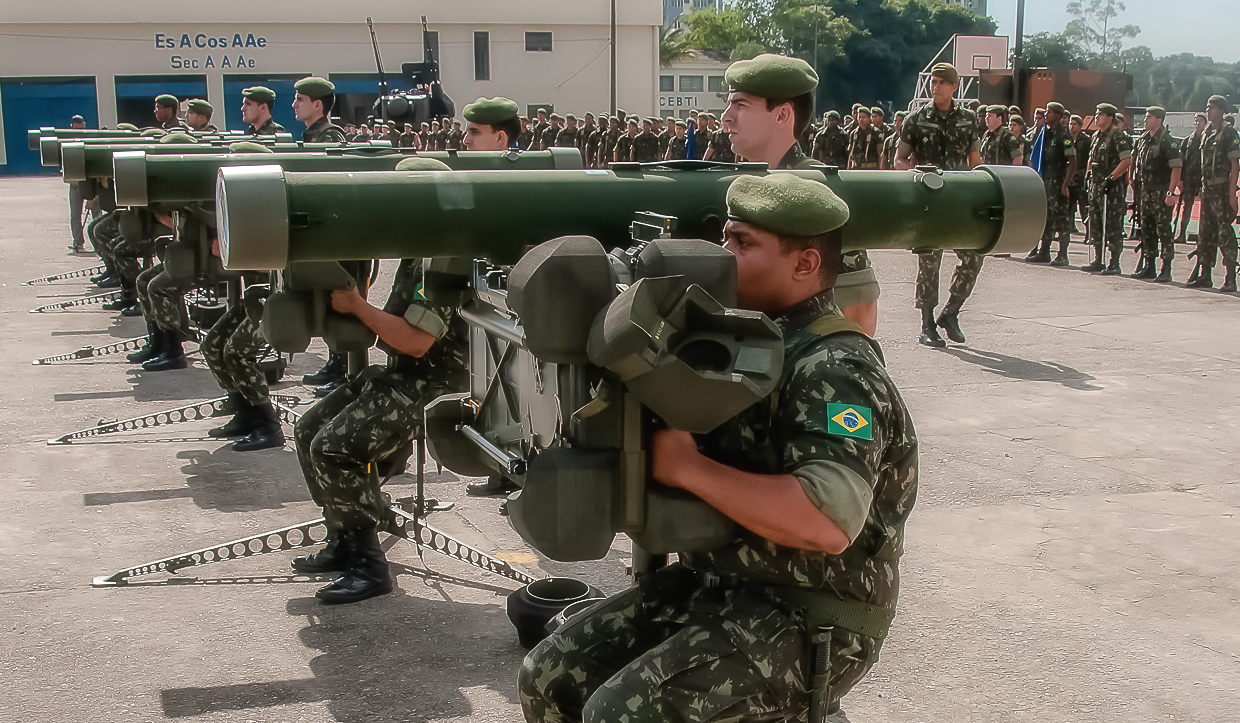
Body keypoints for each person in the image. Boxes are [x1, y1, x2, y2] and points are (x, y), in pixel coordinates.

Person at [519, 171, 918, 723]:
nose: (723, 256)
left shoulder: (835, 367)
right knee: (550, 676)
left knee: (623, 712)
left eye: (744, 244)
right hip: (719, 587)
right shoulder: (739, 334)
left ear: (804, 264)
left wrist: (687, 469)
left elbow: (824, 520)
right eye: (725, 238)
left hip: (811, 614)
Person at [289, 155, 468, 604]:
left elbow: (416, 341)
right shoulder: (417, 250)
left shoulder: (442, 257)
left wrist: (356, 307)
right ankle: (343, 537)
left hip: (436, 386)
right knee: (309, 428)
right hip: (404, 376)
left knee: (334, 447)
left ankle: (368, 565)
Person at [720, 54, 880, 337]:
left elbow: (859, 307)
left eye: (740, 105)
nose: (726, 117)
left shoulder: (815, 189)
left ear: (781, 115)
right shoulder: (747, 185)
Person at [895, 62, 982, 347]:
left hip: (959, 198)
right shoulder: (916, 119)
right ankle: (927, 325)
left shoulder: (969, 119)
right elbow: (900, 158)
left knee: (973, 255)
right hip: (928, 199)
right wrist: (913, 181)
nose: (937, 87)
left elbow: (975, 160)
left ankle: (951, 311)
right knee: (929, 262)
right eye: (934, 82)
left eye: (943, 82)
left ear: (955, 86)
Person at [1190, 95, 1240, 291]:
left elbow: (1235, 164)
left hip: (1221, 188)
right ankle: (1205, 275)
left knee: (1224, 233)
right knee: (1205, 233)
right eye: (1208, 107)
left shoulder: (1229, 133)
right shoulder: (1206, 133)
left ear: (1221, 110)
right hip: (1208, 189)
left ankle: (1230, 278)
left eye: (1212, 108)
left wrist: (1231, 192)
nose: (1208, 110)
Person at [1131, 106, 1182, 281]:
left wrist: (1170, 192)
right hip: (1145, 191)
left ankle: (1166, 269)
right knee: (1147, 230)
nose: (1145, 120)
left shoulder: (1167, 141)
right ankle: (1149, 266)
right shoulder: (1143, 140)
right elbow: (1135, 161)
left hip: (1160, 192)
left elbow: (1176, 168)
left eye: (1149, 117)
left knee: (1163, 231)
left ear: (1158, 120)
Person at [1084, 103, 1133, 274]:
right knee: (1096, 223)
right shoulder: (1096, 136)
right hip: (1096, 185)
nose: (1096, 117)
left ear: (1110, 118)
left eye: (1100, 115)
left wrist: (1112, 177)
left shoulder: (1117, 136)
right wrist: (1088, 176)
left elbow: (1126, 160)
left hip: (1111, 189)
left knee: (1112, 224)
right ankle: (1098, 259)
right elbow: (1091, 158)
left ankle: (1114, 262)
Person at [1026, 102, 1077, 265]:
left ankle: (1062, 254)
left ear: (1058, 116)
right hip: (1045, 181)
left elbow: (1073, 161)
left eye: (1049, 113)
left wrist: (1065, 184)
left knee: (1060, 218)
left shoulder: (1064, 136)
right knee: (1045, 218)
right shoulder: (1045, 134)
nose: (1046, 115)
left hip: (1057, 181)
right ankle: (1044, 251)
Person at [1177, 113, 1207, 245]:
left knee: (1205, 208)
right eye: (1196, 120)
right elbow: (1181, 162)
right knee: (1186, 207)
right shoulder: (1187, 141)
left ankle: (1203, 235)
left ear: (1205, 123)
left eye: (1200, 120)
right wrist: (1180, 180)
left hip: (1203, 179)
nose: (1197, 123)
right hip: (1189, 179)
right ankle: (1182, 233)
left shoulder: (1209, 139)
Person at [1065, 114, 1091, 253]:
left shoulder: (1086, 140)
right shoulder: (1066, 139)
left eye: (1074, 124)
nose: (1071, 126)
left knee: (1084, 208)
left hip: (1081, 177)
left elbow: (1089, 158)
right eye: (1070, 123)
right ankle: (1066, 231)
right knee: (1068, 207)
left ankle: (1089, 232)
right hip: (1069, 177)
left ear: (1080, 126)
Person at [293, 77, 347, 143]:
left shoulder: (329, 135)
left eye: (300, 100)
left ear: (317, 105)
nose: (294, 105)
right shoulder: (314, 134)